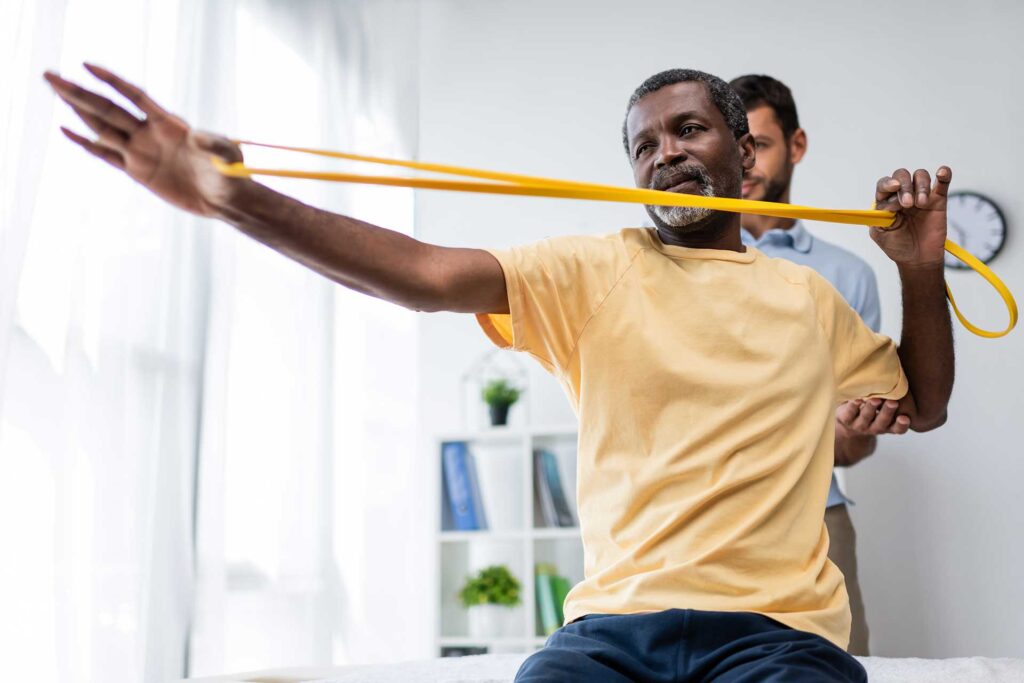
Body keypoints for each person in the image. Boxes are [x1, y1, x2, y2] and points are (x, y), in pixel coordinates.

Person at [44, 64, 954, 682]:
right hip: (612, 632)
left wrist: (919, 268)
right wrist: (231, 194)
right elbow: (423, 272)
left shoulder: (809, 299)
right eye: (645, 145)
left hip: (778, 635)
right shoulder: (590, 270)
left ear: (746, 156)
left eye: (689, 130)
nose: (667, 153)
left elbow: (925, 400)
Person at [728, 73, 908, 655]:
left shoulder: (848, 274)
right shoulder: (678, 263)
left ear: (796, 145)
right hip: (701, 527)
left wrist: (848, 426)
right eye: (735, 147)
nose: (746, 162)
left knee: (843, 667)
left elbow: (857, 444)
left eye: (761, 144)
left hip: (816, 524)